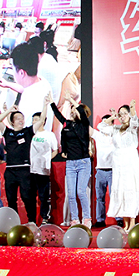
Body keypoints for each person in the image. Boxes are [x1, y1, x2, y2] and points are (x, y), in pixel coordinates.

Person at [0, 97, 50, 224]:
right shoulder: (7, 132)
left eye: (22, 118)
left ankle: (31, 221)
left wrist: (45, 105)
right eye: (18, 118)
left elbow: (41, 119)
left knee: (27, 197)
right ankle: (13, 223)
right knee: (11, 199)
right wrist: (9, 110)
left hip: (24, 170)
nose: (21, 120)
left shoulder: (28, 132)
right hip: (10, 171)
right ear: (12, 122)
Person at [101, 101, 139, 231]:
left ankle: (132, 223)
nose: (122, 116)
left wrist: (133, 109)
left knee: (131, 191)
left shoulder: (132, 128)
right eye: (120, 114)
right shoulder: (115, 129)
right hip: (118, 164)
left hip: (130, 163)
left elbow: (135, 121)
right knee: (121, 192)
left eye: (125, 114)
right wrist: (112, 117)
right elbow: (101, 126)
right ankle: (126, 224)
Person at [52, 94, 92, 227]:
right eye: (72, 110)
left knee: (81, 191)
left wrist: (71, 100)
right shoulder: (67, 124)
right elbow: (58, 116)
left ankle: (87, 218)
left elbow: (81, 112)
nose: (73, 112)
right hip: (70, 163)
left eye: (75, 110)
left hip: (83, 162)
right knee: (71, 194)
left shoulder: (84, 124)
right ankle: (74, 219)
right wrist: (51, 103)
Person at [30, 107, 59, 225]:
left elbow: (55, 150)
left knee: (44, 196)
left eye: (37, 119)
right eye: (33, 120)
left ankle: (45, 218)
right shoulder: (30, 133)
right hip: (31, 169)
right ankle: (31, 220)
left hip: (43, 170)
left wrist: (47, 159)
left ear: (43, 121)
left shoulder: (49, 135)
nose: (34, 122)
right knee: (30, 195)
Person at [91, 114, 115, 228]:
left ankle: (119, 219)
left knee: (114, 196)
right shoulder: (98, 134)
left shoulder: (115, 134)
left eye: (108, 122)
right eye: (103, 122)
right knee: (99, 197)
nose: (104, 125)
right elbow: (94, 127)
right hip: (100, 170)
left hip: (113, 170)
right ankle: (100, 219)